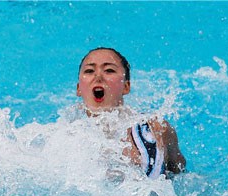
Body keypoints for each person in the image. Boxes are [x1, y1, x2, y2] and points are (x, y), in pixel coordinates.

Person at [76, 47, 186, 178]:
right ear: (79, 89)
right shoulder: (62, 140)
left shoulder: (155, 129)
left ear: (126, 86)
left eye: (109, 70)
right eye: (89, 71)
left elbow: (182, 176)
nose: (98, 77)